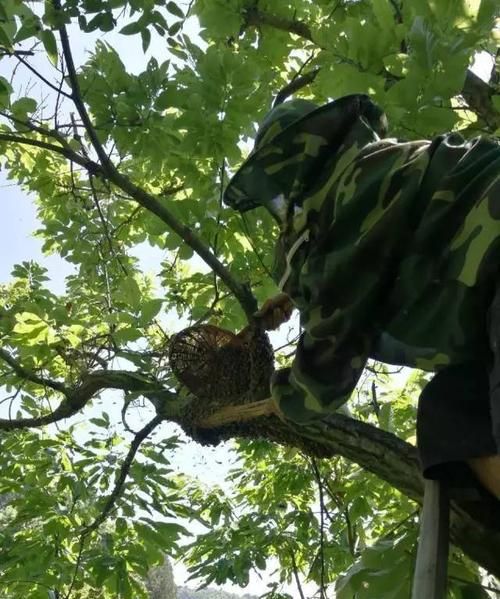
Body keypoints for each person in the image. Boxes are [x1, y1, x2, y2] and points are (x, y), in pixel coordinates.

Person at [223, 94, 500, 499]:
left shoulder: (352, 203)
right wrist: (300, 296)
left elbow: (320, 381)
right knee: (450, 413)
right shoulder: (386, 169)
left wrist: (278, 401)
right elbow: (384, 259)